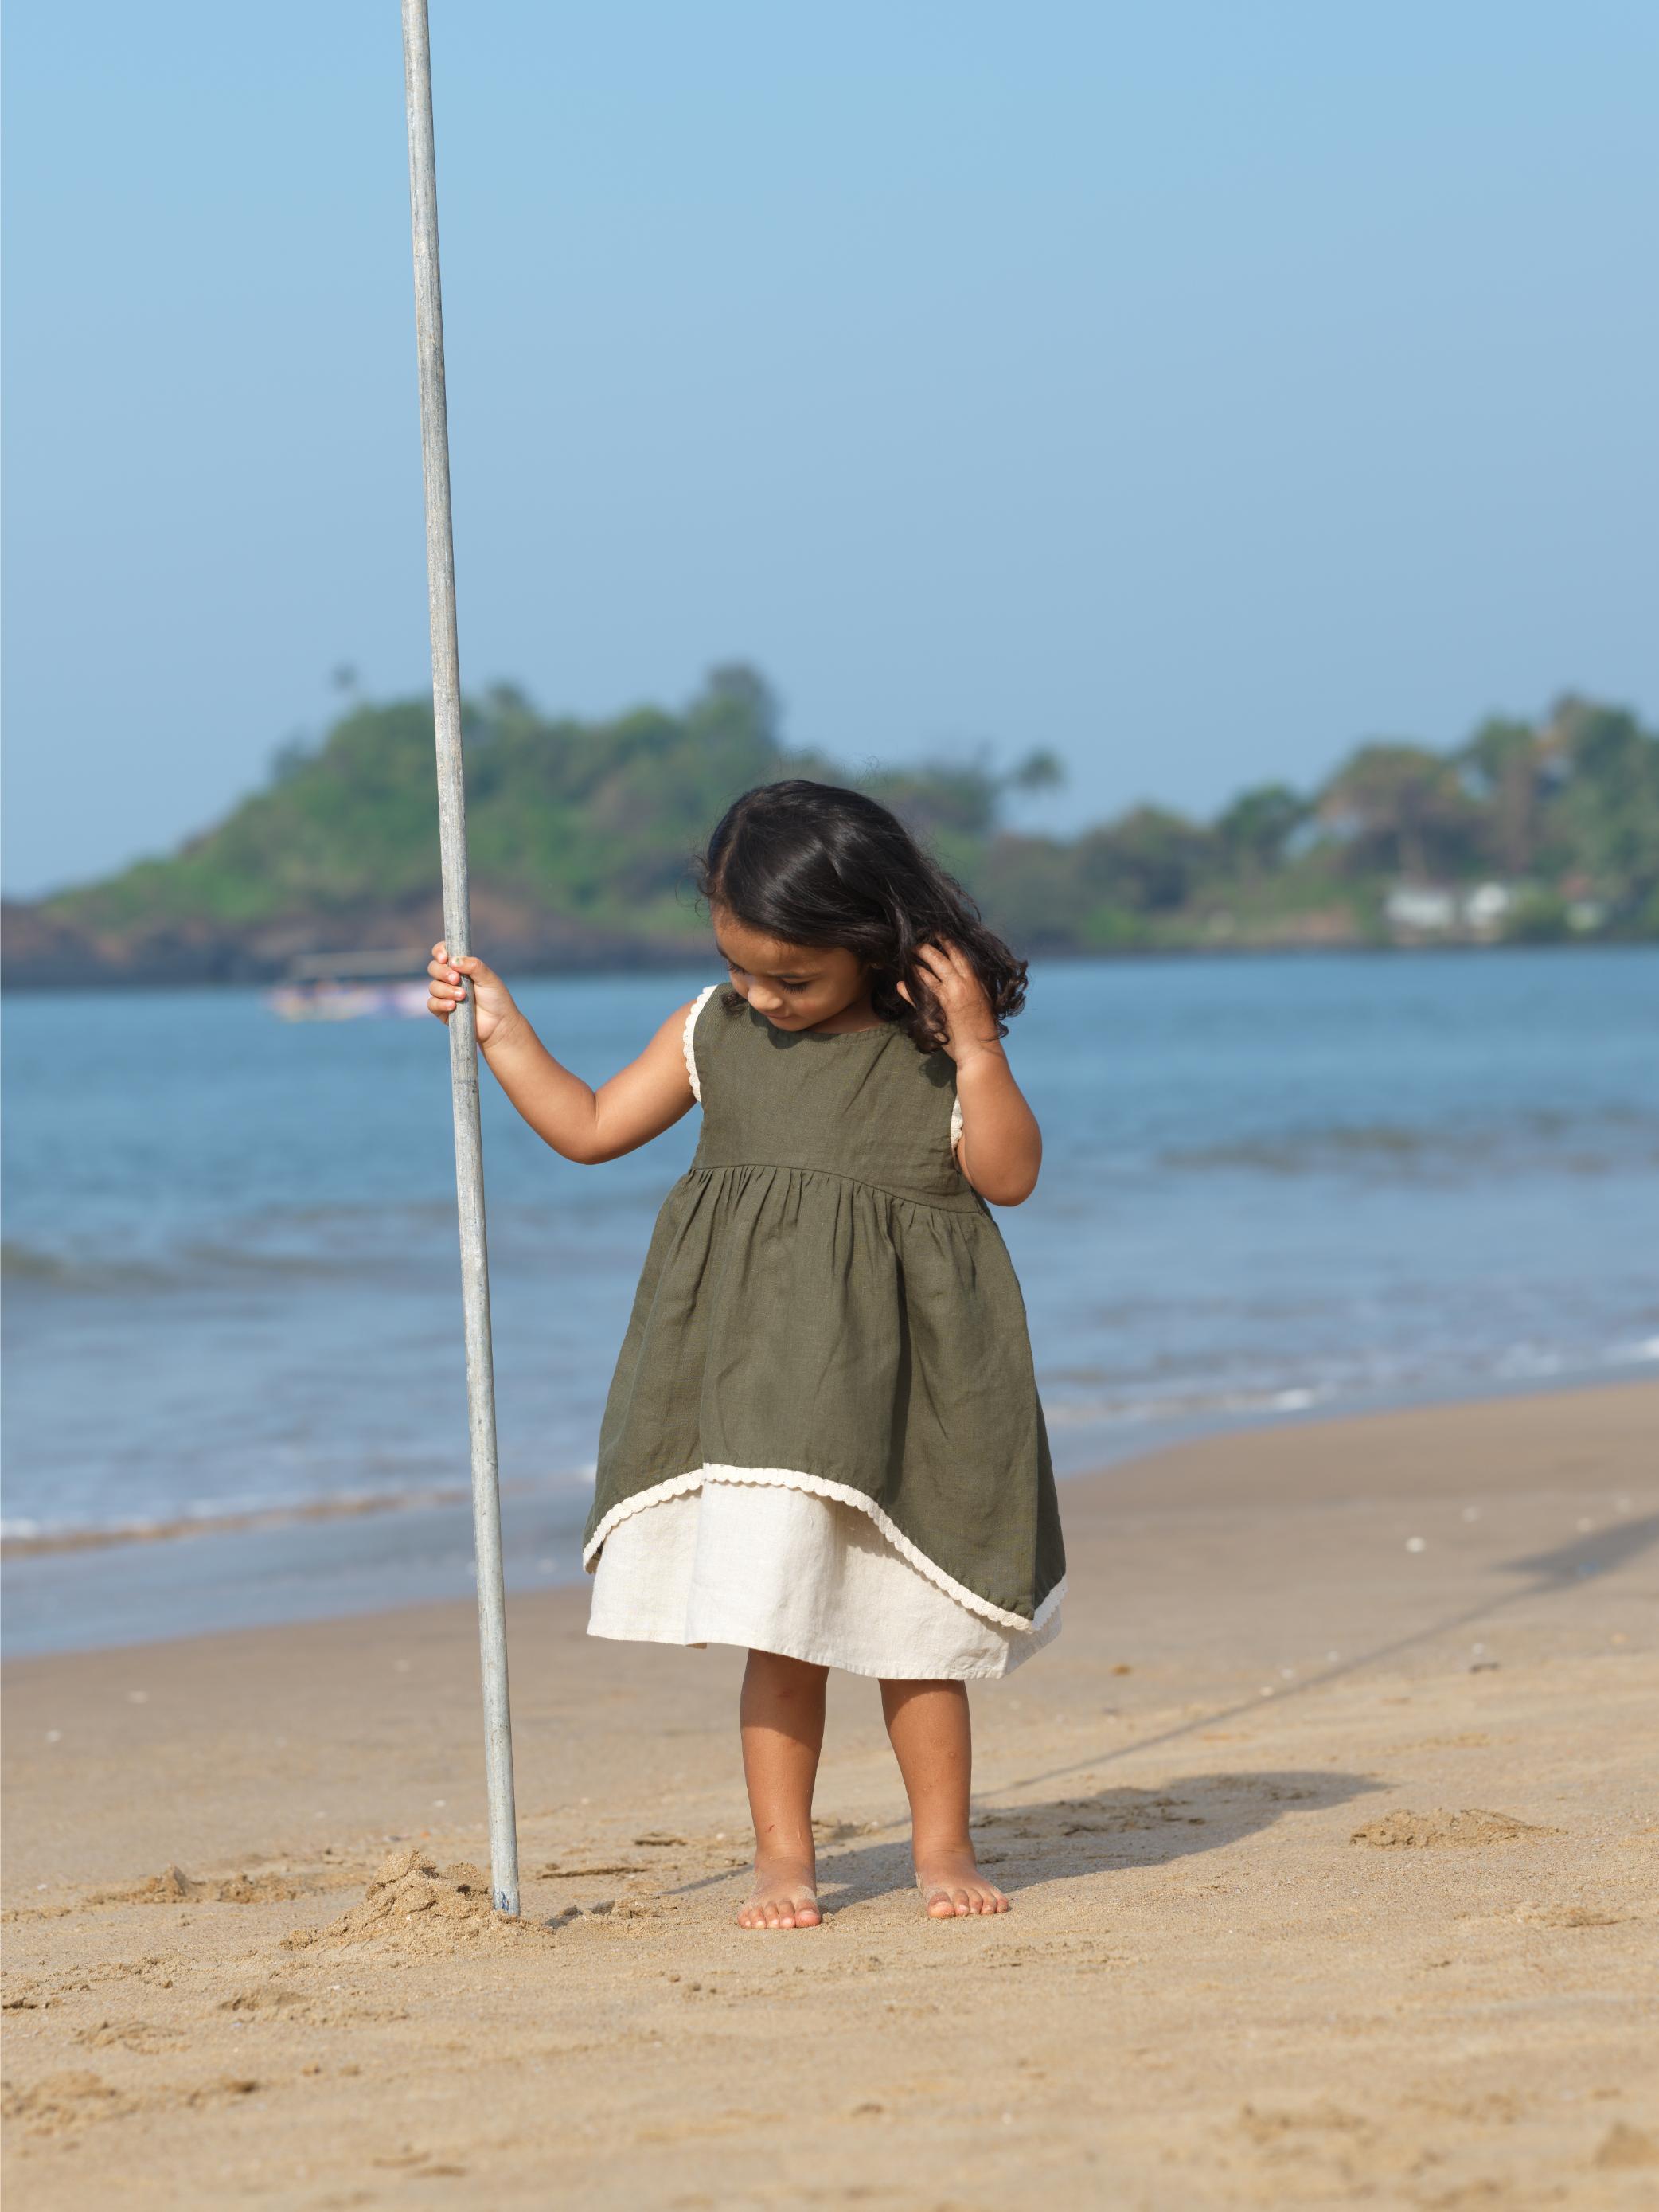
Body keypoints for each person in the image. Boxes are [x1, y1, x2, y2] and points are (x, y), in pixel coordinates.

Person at [427, 779, 1064, 1928]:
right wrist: (501, 1028)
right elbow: (586, 1126)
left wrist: (974, 1043)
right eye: (741, 967)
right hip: (764, 1386)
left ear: (876, 944)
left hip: (904, 1390)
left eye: (794, 977)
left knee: (915, 1634)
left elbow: (1009, 1174)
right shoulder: (711, 1033)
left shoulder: (932, 1055)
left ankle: (943, 1846)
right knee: (781, 1628)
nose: (760, 995)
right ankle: (784, 1858)